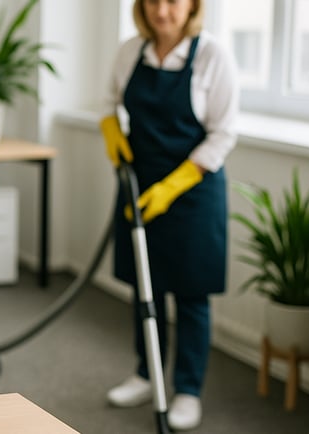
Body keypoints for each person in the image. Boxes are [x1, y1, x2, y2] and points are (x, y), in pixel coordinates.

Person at [98, 0, 238, 430]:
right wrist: (110, 132)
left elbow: (223, 133)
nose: (163, 11)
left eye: (173, 1)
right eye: (153, 1)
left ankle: (188, 391)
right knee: (146, 289)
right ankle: (147, 374)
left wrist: (174, 186)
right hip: (140, 188)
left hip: (193, 192)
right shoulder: (130, 52)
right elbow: (109, 103)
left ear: (193, 5)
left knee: (192, 296)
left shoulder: (213, 56)